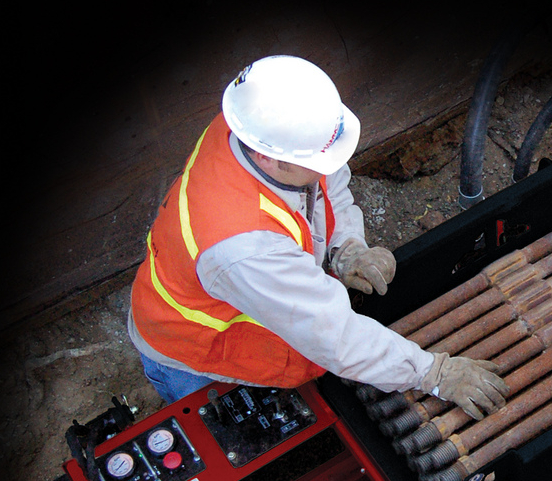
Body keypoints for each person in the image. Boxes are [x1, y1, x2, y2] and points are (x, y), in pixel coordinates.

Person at [128, 54, 508, 420]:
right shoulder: (244, 246)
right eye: (317, 161)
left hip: (240, 292)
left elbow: (326, 184)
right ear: (268, 158)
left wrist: (346, 247)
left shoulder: (259, 126)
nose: (327, 166)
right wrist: (434, 374)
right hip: (197, 347)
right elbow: (334, 337)